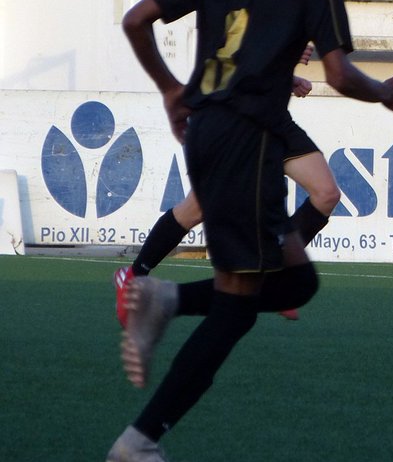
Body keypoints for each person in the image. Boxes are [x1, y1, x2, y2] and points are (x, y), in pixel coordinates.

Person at [106, 0, 393, 462]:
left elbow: (137, 19)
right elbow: (336, 72)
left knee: (296, 283)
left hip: (216, 129)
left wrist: (171, 88)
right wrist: (385, 93)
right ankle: (140, 439)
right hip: (250, 136)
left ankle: (161, 297)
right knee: (237, 302)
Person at [113, 70, 338, 326]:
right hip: (230, 120)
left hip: (273, 121)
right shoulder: (232, 32)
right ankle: (133, 274)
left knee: (326, 194)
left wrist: (285, 75)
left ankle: (272, 277)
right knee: (197, 208)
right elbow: (235, 60)